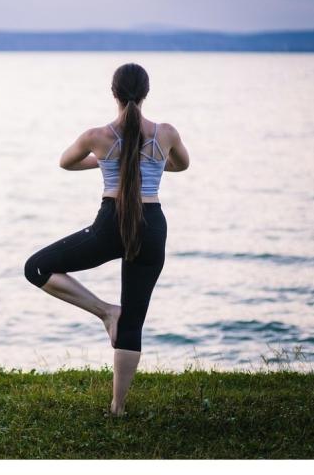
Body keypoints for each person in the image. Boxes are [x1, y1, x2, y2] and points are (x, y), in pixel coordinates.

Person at [23, 62, 190, 416]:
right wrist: (153, 165)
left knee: (37, 268)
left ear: (113, 93)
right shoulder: (167, 133)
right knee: (134, 320)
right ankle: (118, 407)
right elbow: (181, 165)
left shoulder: (96, 137)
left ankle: (105, 312)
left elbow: (66, 162)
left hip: (109, 224)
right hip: (153, 225)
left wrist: (103, 162)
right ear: (146, 93)